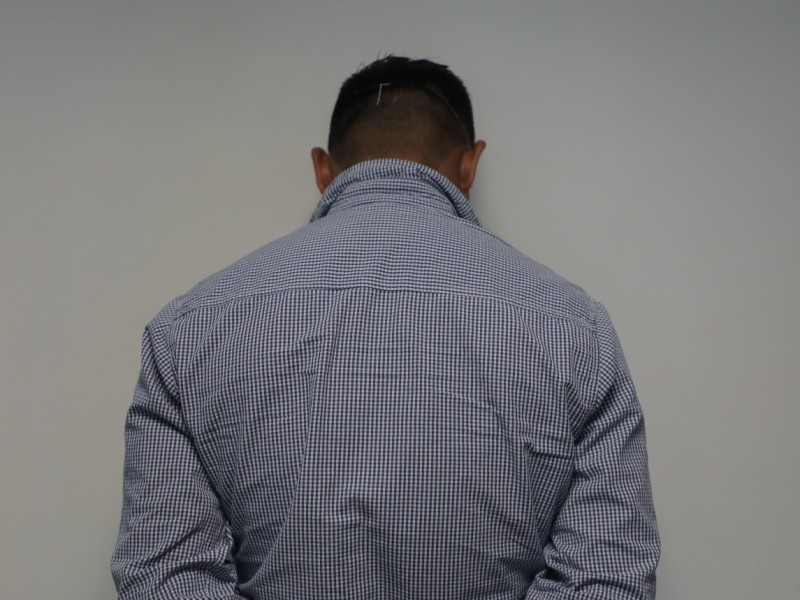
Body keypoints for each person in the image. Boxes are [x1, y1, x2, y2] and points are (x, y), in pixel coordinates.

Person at [111, 56, 660, 600]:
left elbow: (164, 577)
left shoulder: (188, 330)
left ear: (322, 170)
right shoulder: (575, 329)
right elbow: (606, 580)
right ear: (470, 165)